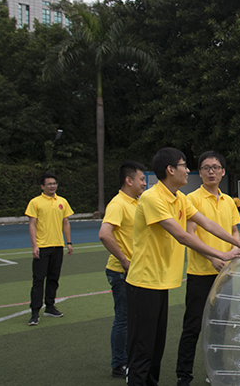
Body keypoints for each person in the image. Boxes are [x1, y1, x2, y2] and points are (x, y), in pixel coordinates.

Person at [125, 147, 240, 386]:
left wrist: (237, 243)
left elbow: (206, 223)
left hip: (161, 281)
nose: (188, 170)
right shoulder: (152, 198)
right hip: (144, 281)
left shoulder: (178, 197)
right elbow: (183, 236)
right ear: (170, 170)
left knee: (156, 346)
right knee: (144, 348)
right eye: (184, 165)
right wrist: (220, 253)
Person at [176, 151, 240, 386]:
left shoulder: (229, 201)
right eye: (206, 168)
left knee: (221, 325)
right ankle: (183, 376)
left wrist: (234, 253)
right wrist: (211, 258)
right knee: (193, 327)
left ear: (223, 171)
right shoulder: (191, 199)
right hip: (200, 273)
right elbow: (190, 235)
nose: (211, 171)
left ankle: (218, 370)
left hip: (227, 273)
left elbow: (235, 232)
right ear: (199, 172)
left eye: (216, 167)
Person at [98, 161, 147, 378]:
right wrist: (124, 261)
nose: (144, 183)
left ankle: (130, 358)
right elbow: (104, 234)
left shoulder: (136, 203)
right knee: (124, 317)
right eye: (142, 179)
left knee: (134, 317)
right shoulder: (118, 203)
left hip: (135, 270)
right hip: (121, 272)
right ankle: (119, 364)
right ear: (129, 180)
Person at [25, 171, 73, 326]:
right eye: (49, 184)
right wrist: (34, 245)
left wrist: (69, 242)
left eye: (54, 183)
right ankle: (34, 312)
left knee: (54, 278)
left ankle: (50, 307)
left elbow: (65, 222)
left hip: (57, 246)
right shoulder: (35, 202)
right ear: (42, 186)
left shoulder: (62, 201)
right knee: (39, 280)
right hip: (42, 247)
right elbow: (32, 224)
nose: (52, 186)